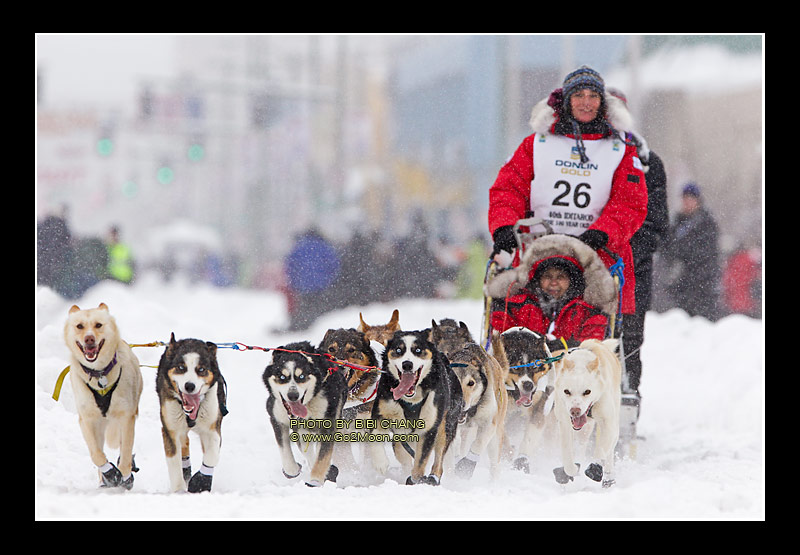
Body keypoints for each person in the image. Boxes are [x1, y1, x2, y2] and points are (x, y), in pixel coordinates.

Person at [488, 66, 648, 325]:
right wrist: (504, 226)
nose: (586, 103)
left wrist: (603, 232)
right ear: (566, 100)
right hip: (538, 251)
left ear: (602, 102)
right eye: (579, 95)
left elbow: (630, 203)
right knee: (520, 324)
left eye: (593, 96)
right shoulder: (536, 143)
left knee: (583, 331)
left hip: (596, 256)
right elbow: (508, 189)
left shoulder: (621, 149)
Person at [606, 87, 670, 399]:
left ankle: (628, 395)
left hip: (634, 264)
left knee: (629, 335)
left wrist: (628, 245)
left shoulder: (648, 162)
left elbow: (658, 221)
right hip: (588, 261)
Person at [490, 253, 609, 352]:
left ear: (571, 280)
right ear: (538, 279)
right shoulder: (519, 306)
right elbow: (502, 337)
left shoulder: (587, 310)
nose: (553, 282)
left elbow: (592, 345)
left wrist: (563, 346)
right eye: (548, 276)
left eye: (560, 277)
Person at [663, 183, 721, 321]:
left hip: (701, 285)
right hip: (679, 283)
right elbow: (667, 248)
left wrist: (682, 254)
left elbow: (705, 252)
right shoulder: (676, 222)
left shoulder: (706, 223)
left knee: (700, 322)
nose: (687, 202)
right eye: (685, 199)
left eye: (690, 198)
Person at [284, 227, 341, 331]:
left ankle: (303, 325)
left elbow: (290, 265)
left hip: (302, 285)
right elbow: (334, 265)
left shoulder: (299, 247)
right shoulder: (325, 247)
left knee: (304, 305)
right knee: (318, 307)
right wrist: (329, 280)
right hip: (321, 285)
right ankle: (316, 327)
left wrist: (294, 282)